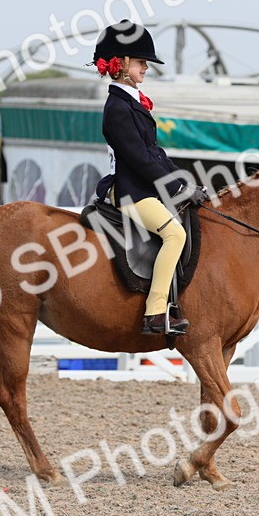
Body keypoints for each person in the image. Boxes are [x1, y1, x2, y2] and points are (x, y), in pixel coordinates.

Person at [92, 21, 204, 336]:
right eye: (141, 62)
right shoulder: (117, 107)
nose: (146, 68)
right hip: (130, 191)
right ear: (122, 63)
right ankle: (155, 313)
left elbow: (155, 153)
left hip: (141, 188)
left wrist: (185, 182)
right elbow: (139, 159)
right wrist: (178, 187)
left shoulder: (132, 102)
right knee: (175, 235)